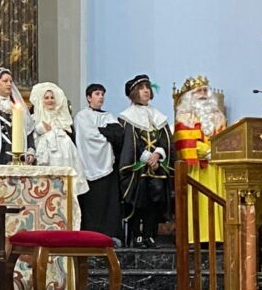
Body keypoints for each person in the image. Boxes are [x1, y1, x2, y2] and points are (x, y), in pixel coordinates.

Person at [118, 74, 174, 249]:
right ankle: (137, 236)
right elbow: (129, 143)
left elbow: (166, 140)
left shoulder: (158, 116)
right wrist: (147, 158)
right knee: (139, 202)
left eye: (148, 88)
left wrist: (158, 155)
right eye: (142, 88)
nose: (146, 91)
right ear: (135, 92)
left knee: (154, 203)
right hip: (138, 168)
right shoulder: (127, 117)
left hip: (157, 168)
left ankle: (150, 235)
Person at [173, 74, 227, 243]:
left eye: (205, 90)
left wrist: (217, 151)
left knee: (217, 201)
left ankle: (217, 237)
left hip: (216, 167)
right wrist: (207, 151)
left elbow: (225, 137)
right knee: (199, 202)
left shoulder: (219, 116)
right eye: (199, 91)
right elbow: (184, 141)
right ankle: (196, 237)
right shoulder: (183, 117)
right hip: (196, 168)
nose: (204, 94)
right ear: (190, 96)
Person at [73, 84, 124, 243]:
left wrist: (104, 132)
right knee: (91, 203)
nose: (101, 96)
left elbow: (118, 135)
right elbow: (89, 137)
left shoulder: (109, 116)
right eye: (97, 93)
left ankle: (110, 235)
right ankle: (90, 235)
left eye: (102, 93)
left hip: (108, 166)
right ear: (89, 97)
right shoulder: (82, 116)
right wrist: (106, 133)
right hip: (88, 165)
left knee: (109, 202)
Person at [29, 82, 89, 196]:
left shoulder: (63, 119)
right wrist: (39, 130)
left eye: (52, 97)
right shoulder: (34, 118)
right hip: (46, 156)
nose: (50, 100)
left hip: (66, 155)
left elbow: (70, 133)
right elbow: (30, 139)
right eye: (46, 98)